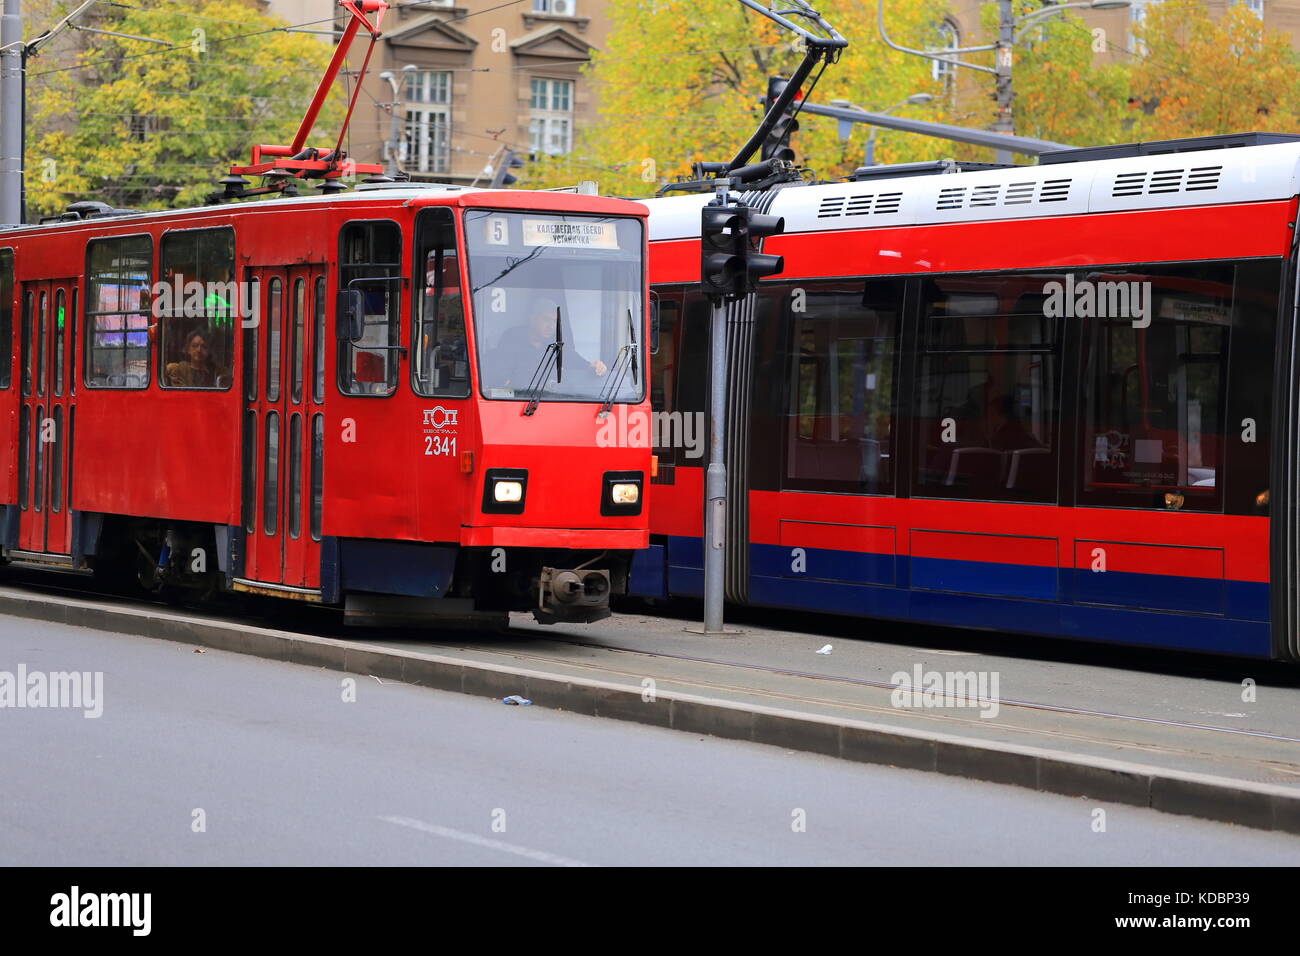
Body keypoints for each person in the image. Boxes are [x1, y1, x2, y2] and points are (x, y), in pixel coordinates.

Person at [491, 297, 607, 392]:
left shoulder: (555, 341)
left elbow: (571, 358)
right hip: (517, 400)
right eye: (546, 320)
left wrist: (593, 366)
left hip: (548, 399)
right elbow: (501, 374)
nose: (551, 326)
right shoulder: (512, 338)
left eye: (554, 321)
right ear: (533, 319)